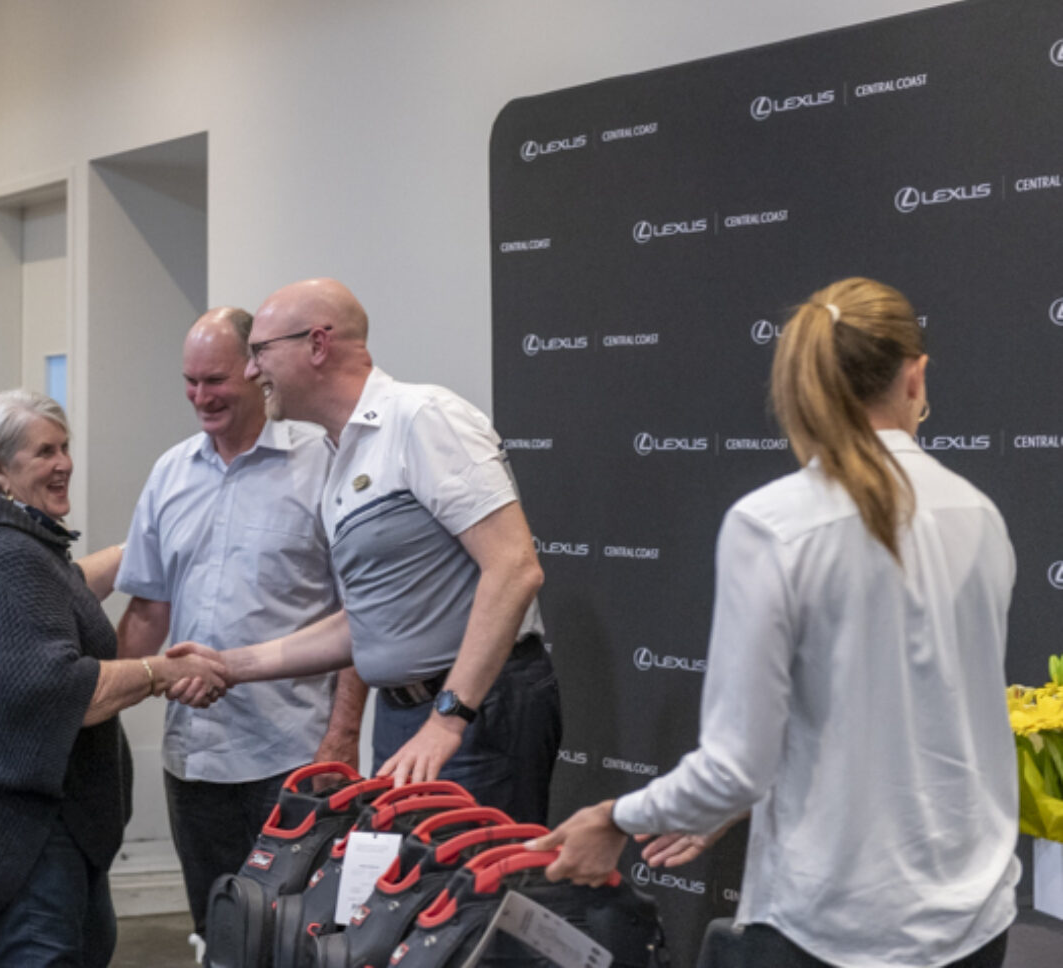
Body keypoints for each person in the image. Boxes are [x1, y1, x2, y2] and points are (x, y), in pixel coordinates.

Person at [532, 278, 1017, 968]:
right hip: (973, 922)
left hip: (832, 928)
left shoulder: (774, 524)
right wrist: (723, 799)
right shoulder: (978, 512)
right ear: (915, 377)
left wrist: (614, 817)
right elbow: (899, 720)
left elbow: (736, 767)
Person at [172, 279, 559, 821]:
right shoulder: (343, 452)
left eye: (260, 351)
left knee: (471, 878)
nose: (253, 371)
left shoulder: (422, 417)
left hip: (473, 714)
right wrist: (229, 665)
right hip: (408, 713)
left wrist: (448, 719)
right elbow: (368, 620)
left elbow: (514, 567)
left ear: (317, 344)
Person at [0, 389, 227, 968]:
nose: (64, 464)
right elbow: (64, 691)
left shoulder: (9, 539)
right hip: (20, 818)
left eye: (65, 447)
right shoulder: (4, 556)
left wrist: (146, 544)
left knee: (83, 946)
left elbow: (66, 586)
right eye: (44, 452)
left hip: (36, 803)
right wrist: (165, 670)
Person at [115, 307, 368, 946]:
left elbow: (363, 615)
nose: (201, 397)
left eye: (215, 380)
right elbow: (147, 610)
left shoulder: (323, 463)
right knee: (218, 935)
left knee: (301, 941)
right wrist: (96, 698)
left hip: (293, 757)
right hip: (194, 759)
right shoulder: (171, 473)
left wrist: (342, 738)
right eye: (190, 382)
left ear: (256, 370)